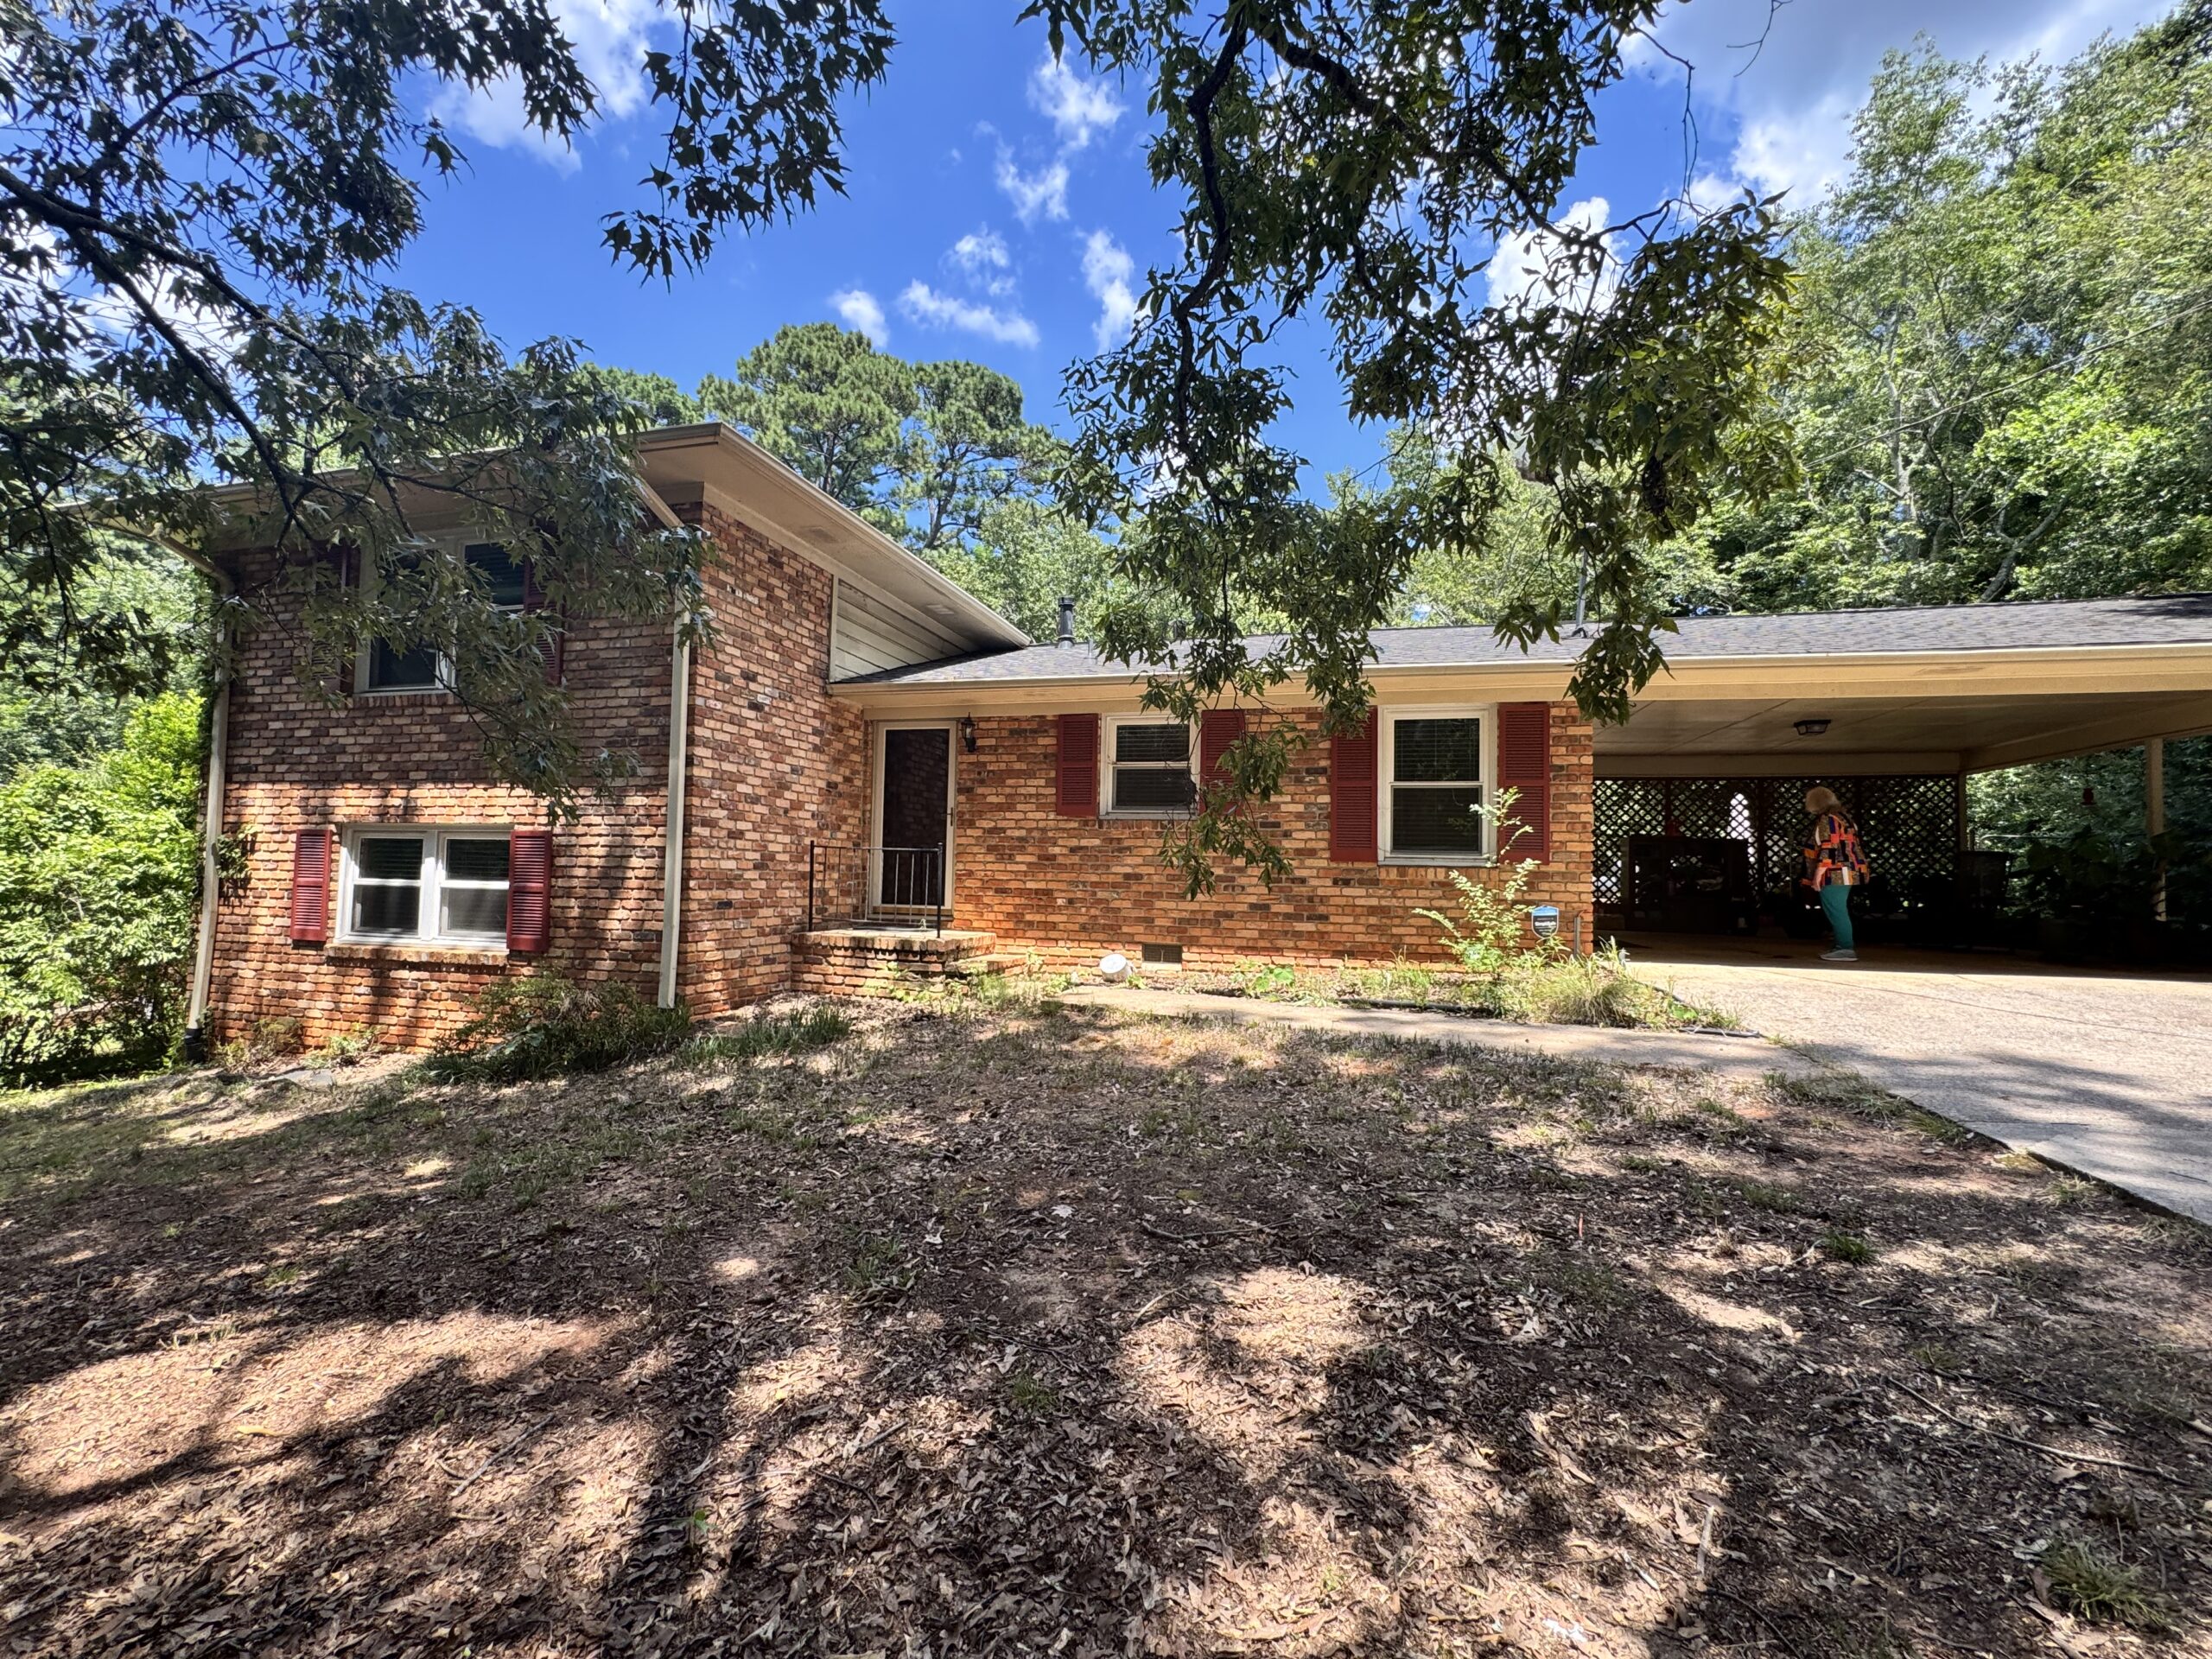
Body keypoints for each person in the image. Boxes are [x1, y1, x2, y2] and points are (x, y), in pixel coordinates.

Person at [1802, 786, 1870, 963]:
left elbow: (1829, 848)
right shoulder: (1845, 818)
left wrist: (1817, 875)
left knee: (1836, 910)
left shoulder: (1828, 819)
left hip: (1836, 872)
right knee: (1838, 908)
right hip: (1851, 870)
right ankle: (1841, 945)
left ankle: (1845, 948)